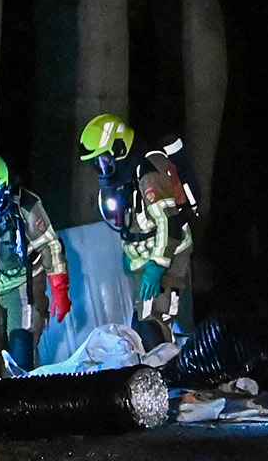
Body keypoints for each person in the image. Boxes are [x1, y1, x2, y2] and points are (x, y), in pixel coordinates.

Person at [81, 113, 198, 347]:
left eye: (104, 160)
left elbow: (169, 224)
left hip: (168, 255)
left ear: (119, 148)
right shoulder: (128, 174)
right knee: (141, 324)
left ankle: (166, 378)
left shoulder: (147, 173)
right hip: (145, 257)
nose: (102, 169)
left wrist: (157, 267)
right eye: (97, 164)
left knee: (153, 323)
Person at [0, 155, 71, 371]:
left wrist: (59, 289)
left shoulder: (25, 205)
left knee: (22, 346)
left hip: (23, 282)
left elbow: (51, 246)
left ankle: (25, 401)